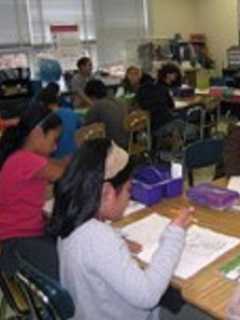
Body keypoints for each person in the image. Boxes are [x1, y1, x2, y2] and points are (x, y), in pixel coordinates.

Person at [49, 138, 195, 320]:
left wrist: (117, 239)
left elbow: (91, 250)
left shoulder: (71, 218)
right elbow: (148, 295)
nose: (129, 197)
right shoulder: (97, 238)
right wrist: (175, 233)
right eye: (128, 190)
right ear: (108, 192)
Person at [0, 110, 67, 279]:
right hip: (17, 243)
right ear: (37, 133)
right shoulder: (26, 160)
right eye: (54, 139)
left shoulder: (18, 156)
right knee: (71, 270)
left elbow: (56, 165)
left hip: (18, 236)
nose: (55, 147)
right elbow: (67, 174)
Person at [38, 82, 80, 159]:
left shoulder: (45, 121)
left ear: (42, 104)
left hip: (56, 160)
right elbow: (81, 127)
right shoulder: (70, 112)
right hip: (74, 157)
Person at [84, 79, 129, 149]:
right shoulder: (120, 101)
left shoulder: (97, 106)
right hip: (128, 142)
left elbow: (86, 128)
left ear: (92, 96)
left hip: (113, 147)